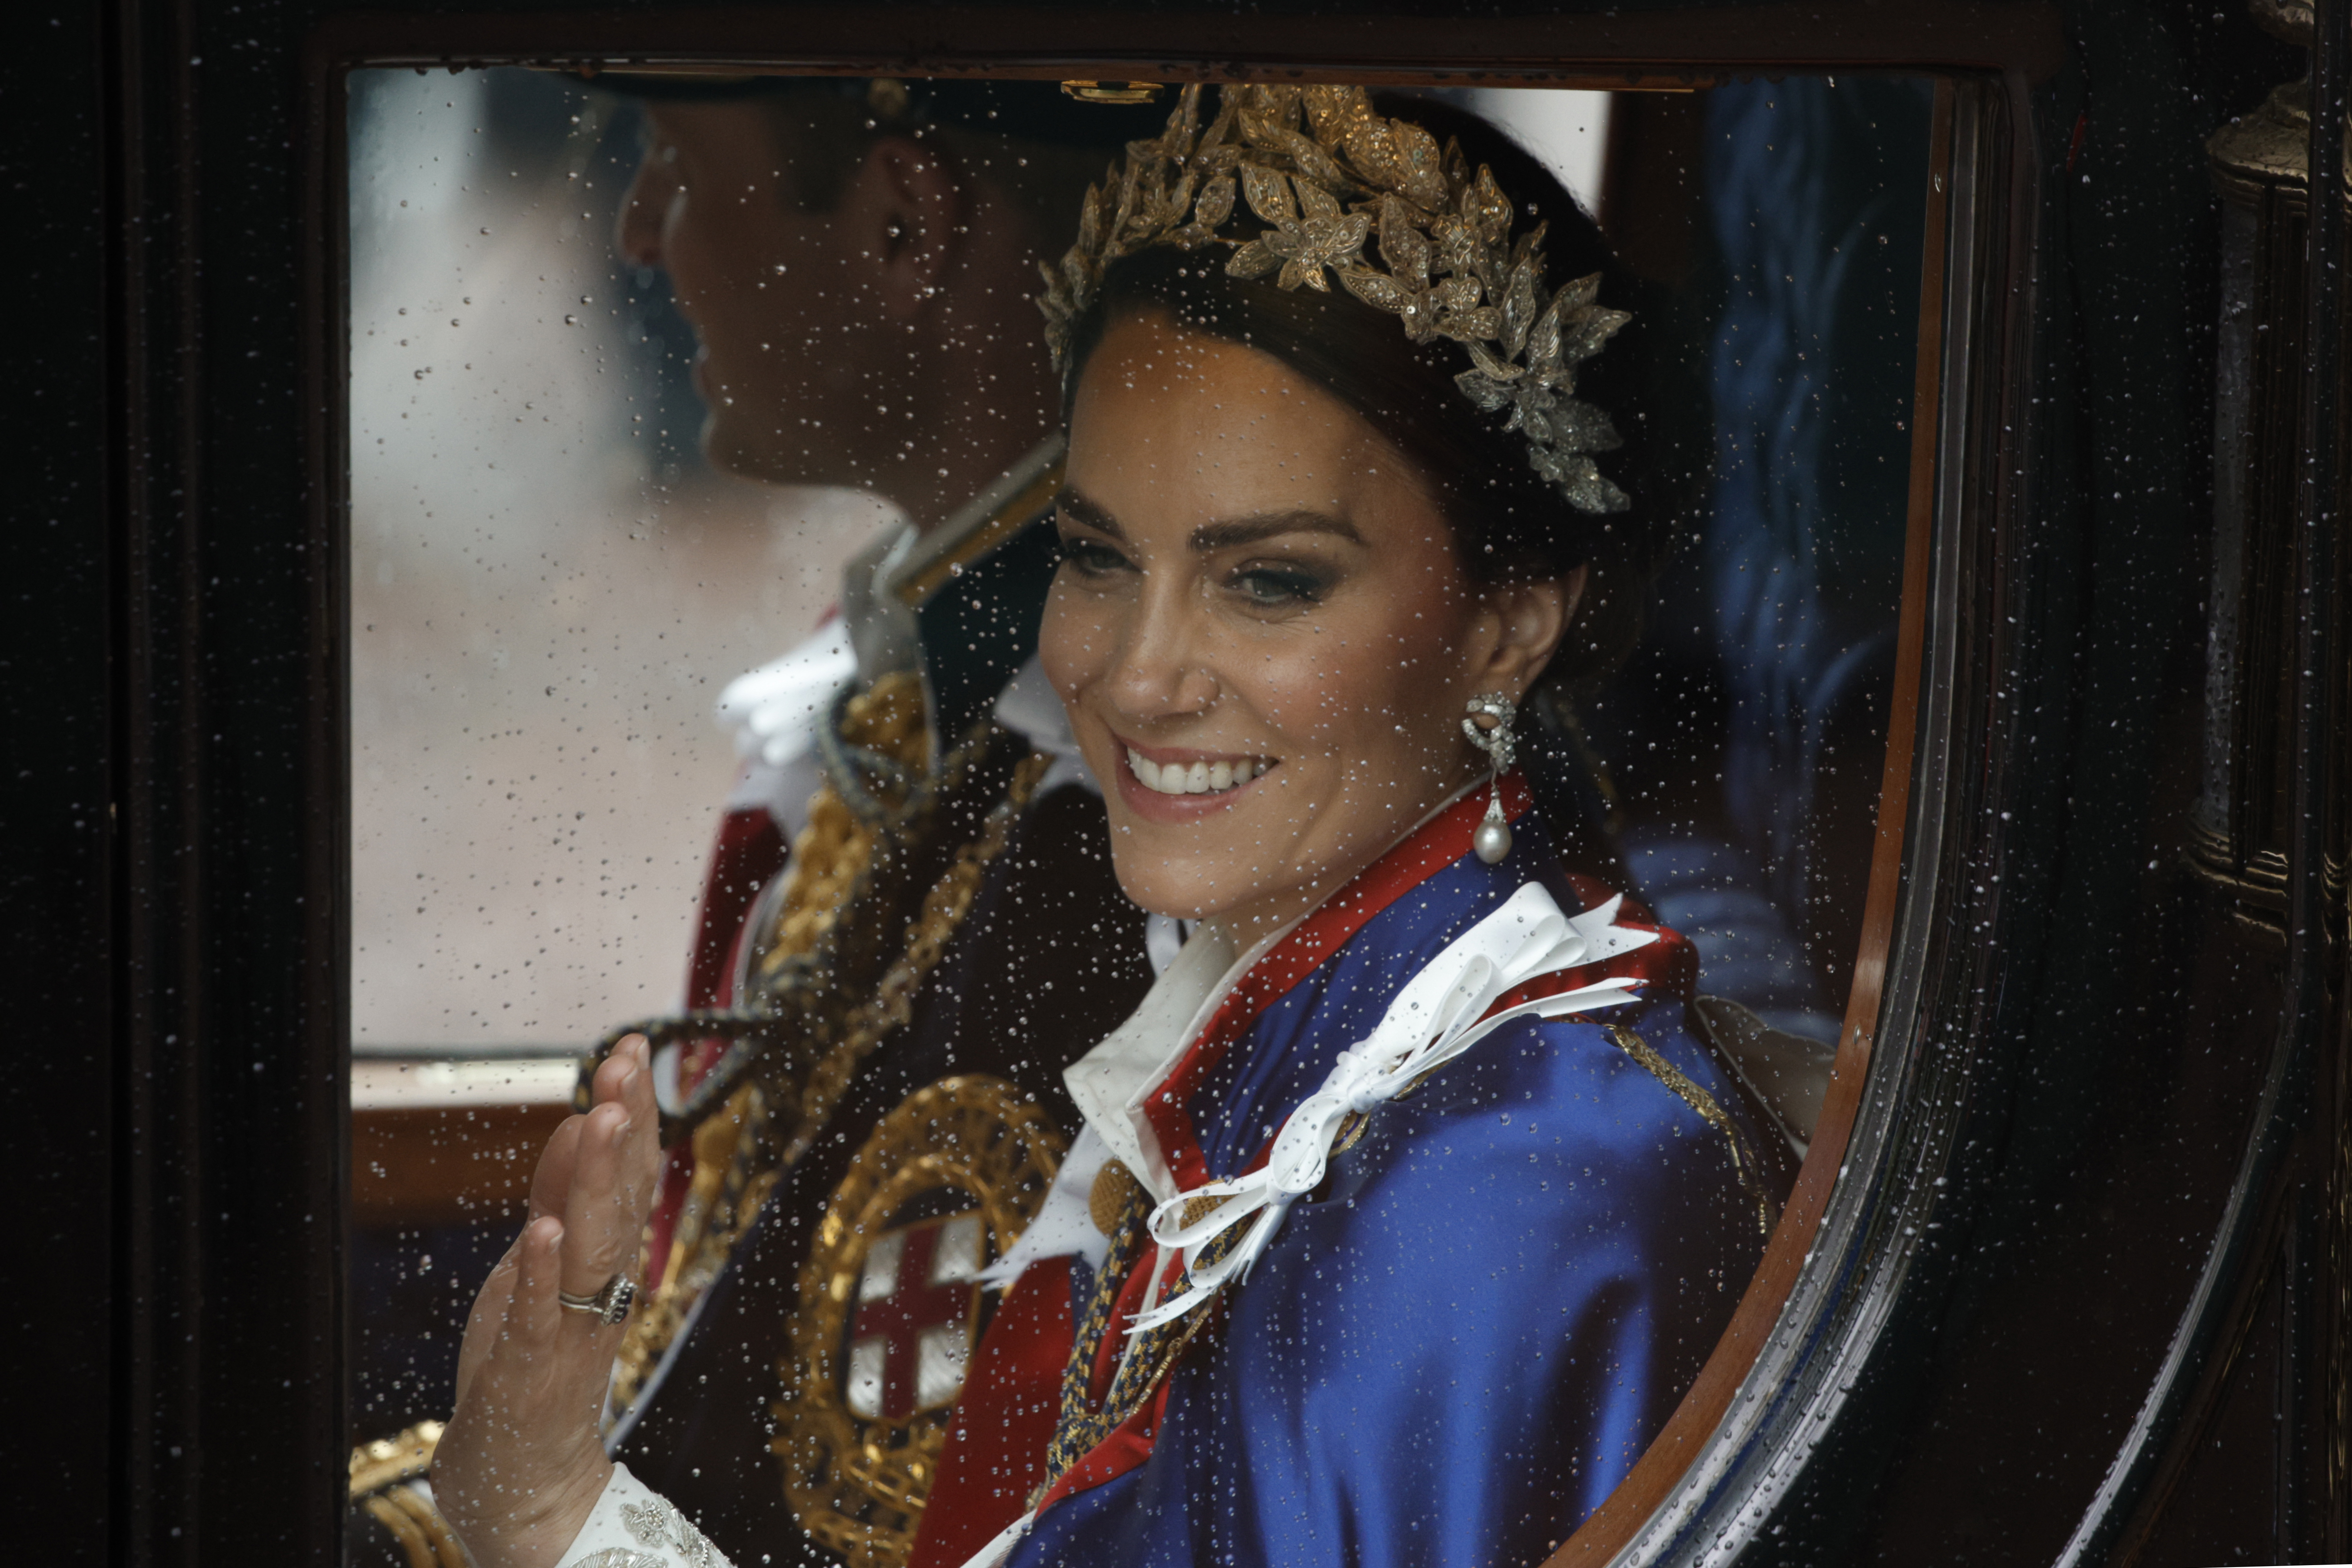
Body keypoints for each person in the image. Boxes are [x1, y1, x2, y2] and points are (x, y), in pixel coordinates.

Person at [433, 84, 1793, 1568]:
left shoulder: (1510, 1175)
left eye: (1268, 581)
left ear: (1507, 627)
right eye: (1093, 557)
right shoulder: (1300, 1044)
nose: (1134, 675)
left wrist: (555, 1525)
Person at [348, 78, 1172, 1568]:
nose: (642, 232)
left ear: (905, 228)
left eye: (672, 159)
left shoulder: (1106, 836)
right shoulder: (908, 696)